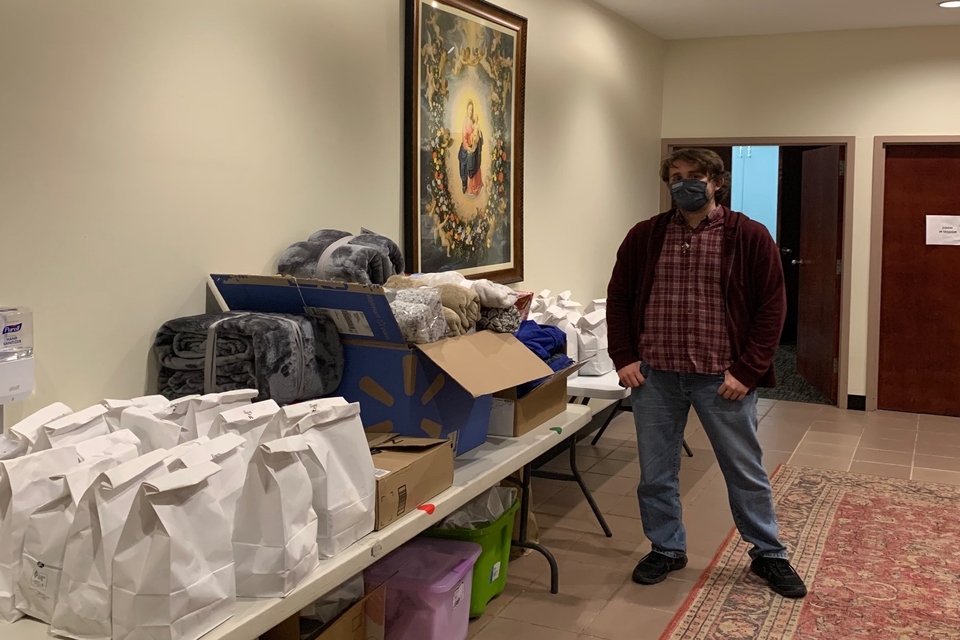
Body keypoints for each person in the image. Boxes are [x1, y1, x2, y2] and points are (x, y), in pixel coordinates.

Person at [606, 148, 807, 599]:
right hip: (656, 375)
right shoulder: (645, 236)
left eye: (695, 176)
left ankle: (769, 553)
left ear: (718, 182)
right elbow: (618, 298)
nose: (684, 184)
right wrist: (623, 357)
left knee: (744, 470)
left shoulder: (750, 236)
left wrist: (748, 370)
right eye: (675, 176)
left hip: (723, 379)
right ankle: (666, 547)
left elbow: (772, 308)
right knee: (656, 472)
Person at [458, 100, 483, 196]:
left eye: (472, 110)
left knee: (472, 163)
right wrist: (468, 147)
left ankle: (472, 184)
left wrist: (476, 140)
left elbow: (476, 134)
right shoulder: (465, 122)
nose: (471, 112)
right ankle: (464, 184)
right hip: (465, 148)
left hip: (472, 146)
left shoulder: (473, 122)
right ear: (467, 110)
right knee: (463, 168)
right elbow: (464, 137)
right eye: (469, 109)